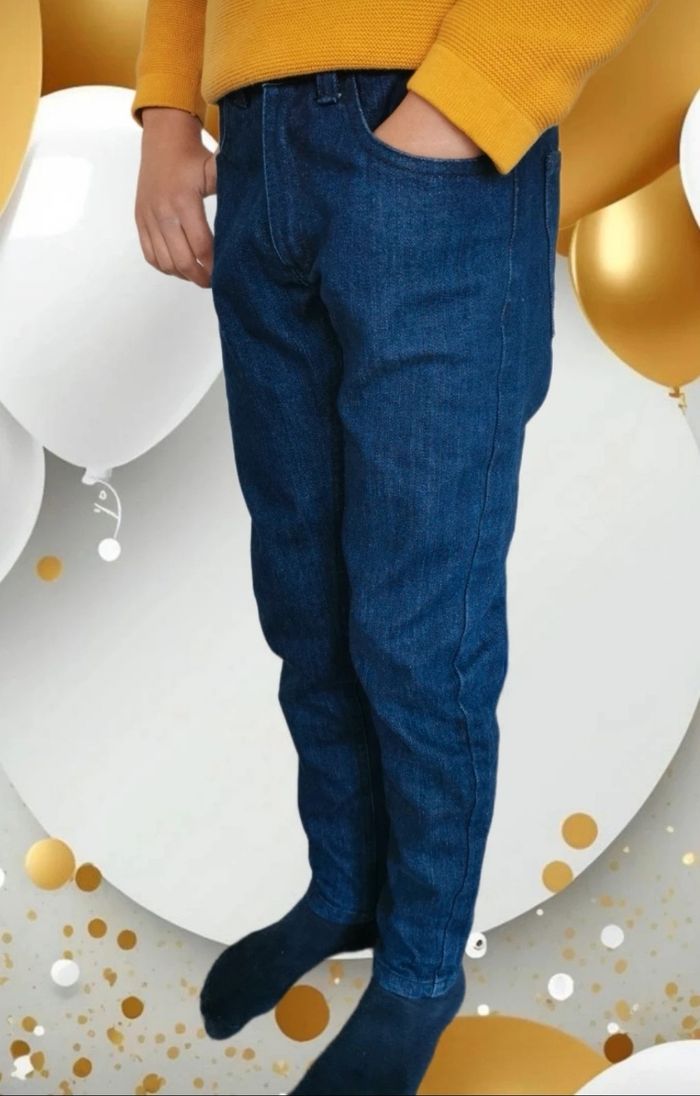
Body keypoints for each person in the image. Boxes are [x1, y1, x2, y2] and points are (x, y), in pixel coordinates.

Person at [131, 3, 657, 1093]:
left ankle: (420, 967)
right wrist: (169, 112)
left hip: (427, 125)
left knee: (419, 619)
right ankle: (344, 890)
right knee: (304, 591)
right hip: (257, 148)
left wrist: (470, 98)